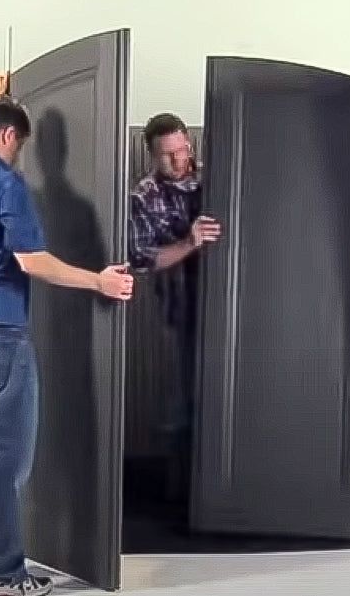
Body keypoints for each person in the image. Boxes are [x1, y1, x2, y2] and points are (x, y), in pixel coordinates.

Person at [0, 72, 134, 596]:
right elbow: (31, 260)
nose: (18, 155)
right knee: (4, 461)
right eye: (17, 144)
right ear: (7, 137)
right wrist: (99, 280)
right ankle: (0, 574)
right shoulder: (5, 183)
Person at [127, 112, 221, 506]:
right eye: (167, 155)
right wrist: (189, 242)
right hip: (182, 314)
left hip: (229, 314)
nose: (178, 160)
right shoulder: (143, 196)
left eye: (182, 150)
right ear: (151, 155)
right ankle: (184, 503)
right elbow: (141, 259)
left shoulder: (220, 177)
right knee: (184, 407)